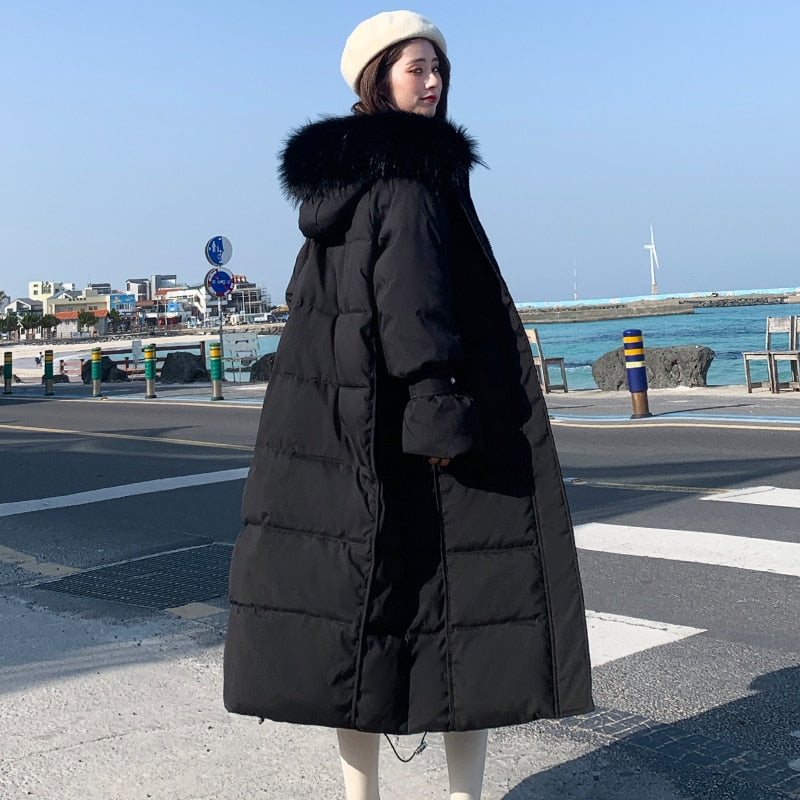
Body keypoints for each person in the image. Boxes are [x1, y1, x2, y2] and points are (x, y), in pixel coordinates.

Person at [224, 10, 593, 799]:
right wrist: (440, 414)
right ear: (377, 79)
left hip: (341, 429)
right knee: (472, 618)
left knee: (354, 623)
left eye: (437, 69)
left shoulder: (341, 181)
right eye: (414, 68)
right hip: (417, 432)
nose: (432, 82)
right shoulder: (414, 173)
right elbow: (414, 303)